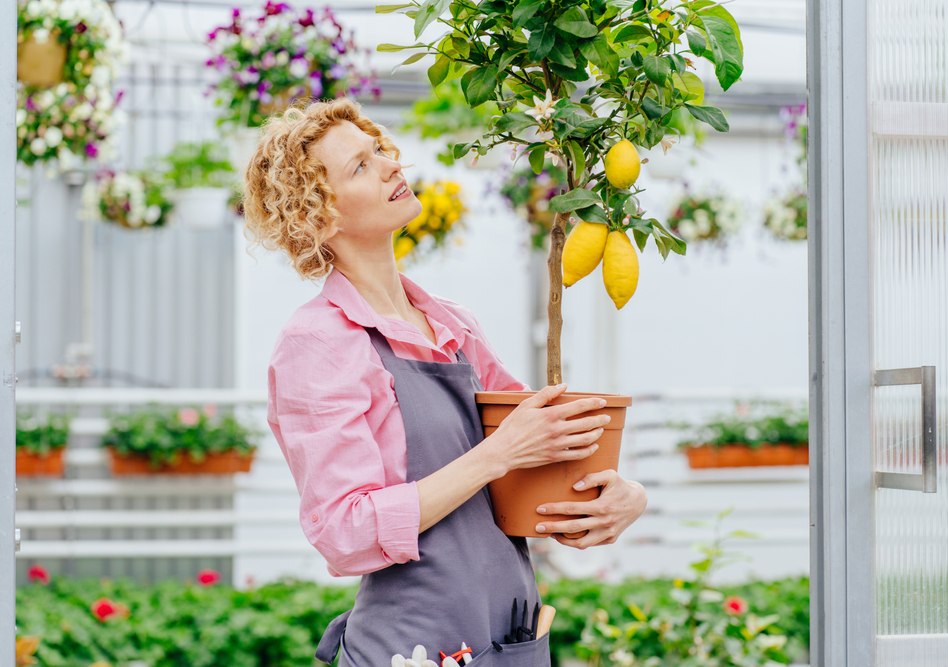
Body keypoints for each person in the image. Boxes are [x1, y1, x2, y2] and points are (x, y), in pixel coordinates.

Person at [242, 99, 647, 666]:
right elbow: (343, 530)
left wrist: (618, 498)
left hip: (508, 637)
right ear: (318, 216)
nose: (390, 164)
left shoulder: (451, 323)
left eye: (379, 149)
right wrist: (496, 455)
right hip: (413, 647)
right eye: (360, 166)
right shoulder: (319, 343)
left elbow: (535, 454)